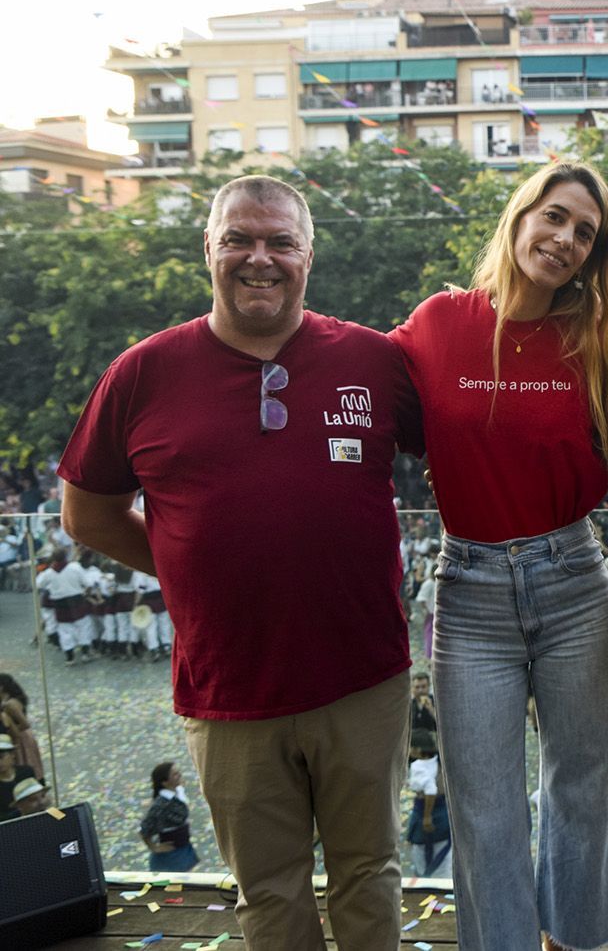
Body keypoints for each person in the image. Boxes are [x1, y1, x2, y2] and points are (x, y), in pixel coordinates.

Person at [57, 174, 423, 950]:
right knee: (269, 891)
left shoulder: (374, 359)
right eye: (239, 240)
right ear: (209, 249)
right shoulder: (142, 372)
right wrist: (191, 567)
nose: (260, 258)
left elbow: (466, 444)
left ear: (308, 255)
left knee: (369, 874)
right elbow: (86, 513)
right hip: (228, 690)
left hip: (364, 680)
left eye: (280, 242)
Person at [391, 161, 608, 951]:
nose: (566, 240)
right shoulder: (438, 323)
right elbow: (358, 401)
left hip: (573, 580)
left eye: (586, 234)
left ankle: (576, 940)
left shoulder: (599, 341)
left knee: (586, 787)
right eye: (555, 217)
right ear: (520, 215)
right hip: (468, 591)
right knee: (484, 802)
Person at [406, 730, 452, 879]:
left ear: (418, 749)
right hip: (442, 814)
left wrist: (426, 816)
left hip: (428, 813)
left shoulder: (420, 766)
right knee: (442, 853)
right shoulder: (439, 763)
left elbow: (430, 790)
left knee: (424, 855)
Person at [140, 762, 198, 872]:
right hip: (171, 856)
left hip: (183, 848)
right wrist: (154, 847)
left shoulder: (178, 791)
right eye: (175, 774)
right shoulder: (161, 805)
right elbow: (144, 829)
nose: (180, 775)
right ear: (165, 783)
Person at [0, 674, 45, 775]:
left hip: (21, 738)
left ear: (1, 687)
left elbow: (25, 724)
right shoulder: (5, 701)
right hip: (19, 736)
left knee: (24, 762)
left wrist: (9, 730)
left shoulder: (10, 704)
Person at [0, 733, 39, 819]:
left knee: (61, 817)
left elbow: (42, 796)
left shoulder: (26, 772)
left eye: (1, 757)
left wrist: (59, 816)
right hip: (11, 823)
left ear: (12, 754)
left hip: (37, 812)